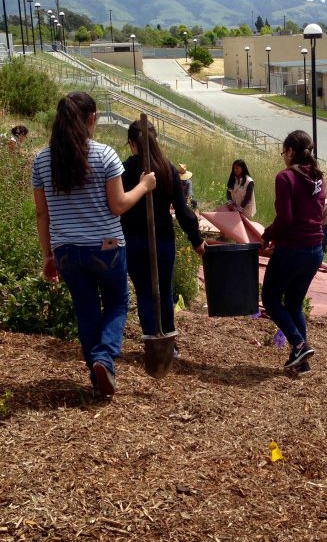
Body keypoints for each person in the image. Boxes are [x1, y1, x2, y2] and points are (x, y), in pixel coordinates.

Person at [32, 92, 156, 403]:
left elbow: (42, 213)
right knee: (116, 303)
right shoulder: (105, 155)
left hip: (66, 250)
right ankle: (104, 358)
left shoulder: (42, 160)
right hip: (106, 246)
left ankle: (98, 377)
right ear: (91, 119)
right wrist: (143, 185)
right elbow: (118, 205)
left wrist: (48, 255)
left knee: (86, 311)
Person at [122, 120, 206, 352]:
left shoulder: (125, 169)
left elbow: (117, 205)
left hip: (135, 241)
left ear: (131, 143)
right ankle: (169, 343)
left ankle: (154, 341)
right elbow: (182, 210)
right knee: (163, 290)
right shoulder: (167, 168)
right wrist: (196, 239)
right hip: (162, 241)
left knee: (145, 292)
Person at [260, 130, 326, 375]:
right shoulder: (319, 177)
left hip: (292, 249)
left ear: (290, 151)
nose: (283, 156)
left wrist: (268, 235)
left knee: (270, 299)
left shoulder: (285, 177)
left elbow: (286, 218)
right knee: (295, 303)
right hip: (315, 249)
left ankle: (299, 345)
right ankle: (302, 362)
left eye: (283, 151)